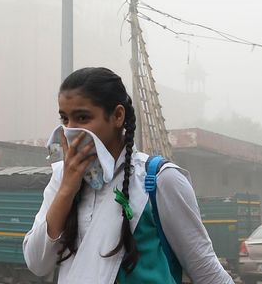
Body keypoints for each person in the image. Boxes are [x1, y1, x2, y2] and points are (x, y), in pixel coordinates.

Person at [22, 67, 232, 283]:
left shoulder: (159, 180)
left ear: (118, 116)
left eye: (83, 118)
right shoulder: (61, 179)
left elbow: (206, 270)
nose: (70, 131)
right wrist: (66, 190)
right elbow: (37, 263)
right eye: (65, 120)